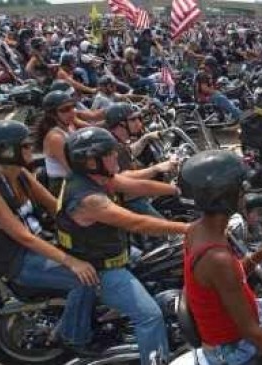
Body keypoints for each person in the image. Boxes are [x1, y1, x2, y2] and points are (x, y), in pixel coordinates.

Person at [57, 126, 190, 364]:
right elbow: (137, 223)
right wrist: (189, 228)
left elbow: (137, 186)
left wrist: (181, 190)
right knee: (150, 316)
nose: (115, 155)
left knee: (164, 260)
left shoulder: (96, 179)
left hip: (115, 252)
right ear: (90, 162)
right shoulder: (89, 199)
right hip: (102, 269)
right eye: (109, 153)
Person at [0, 120, 97, 354]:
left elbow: (55, 206)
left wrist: (98, 218)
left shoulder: (22, 175)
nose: (31, 148)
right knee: (83, 280)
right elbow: (23, 237)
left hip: (40, 244)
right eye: (25, 145)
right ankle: (74, 339)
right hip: (17, 260)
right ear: (7, 152)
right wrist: (72, 261)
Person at [178, 150, 262, 365]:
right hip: (233, 349)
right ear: (224, 197)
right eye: (241, 191)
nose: (244, 196)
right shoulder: (217, 258)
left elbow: (234, 275)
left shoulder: (198, 230)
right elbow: (252, 333)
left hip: (235, 322)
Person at [36, 90, 78, 195]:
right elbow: (72, 169)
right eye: (65, 109)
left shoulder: (69, 126)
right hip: (62, 185)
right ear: (53, 114)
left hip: (72, 178)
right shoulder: (55, 138)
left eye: (73, 106)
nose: (72, 111)